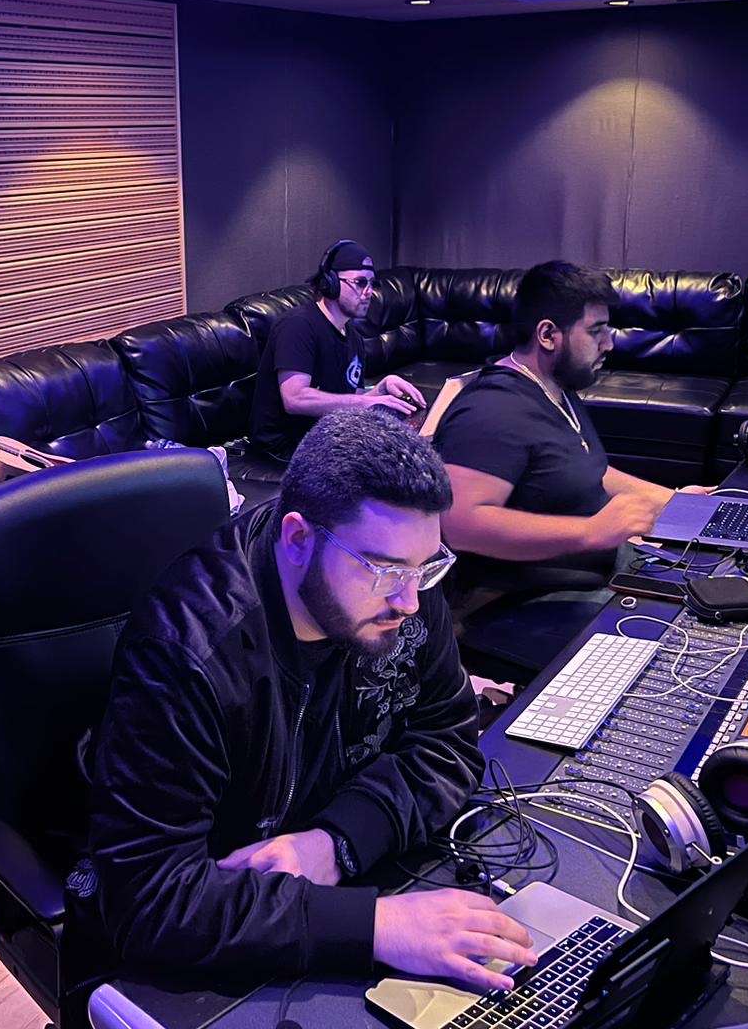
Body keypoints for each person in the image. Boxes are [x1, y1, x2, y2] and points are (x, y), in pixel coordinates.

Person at [77, 410, 538, 992]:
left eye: (427, 567)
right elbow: (150, 899)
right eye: (385, 571)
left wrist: (337, 842)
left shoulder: (402, 585)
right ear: (297, 538)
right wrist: (374, 927)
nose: (410, 602)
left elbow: (448, 741)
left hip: (337, 878)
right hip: (227, 929)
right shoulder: (188, 652)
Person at [434, 261, 710, 616]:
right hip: (521, 602)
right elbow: (460, 524)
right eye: (596, 331)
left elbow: (585, 470)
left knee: (717, 585)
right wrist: (591, 531)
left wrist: (673, 501)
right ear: (548, 335)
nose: (608, 344)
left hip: (594, 573)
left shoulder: (555, 388)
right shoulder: (492, 410)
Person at [248, 239, 426, 460]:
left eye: (372, 283)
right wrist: (365, 403)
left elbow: (349, 399)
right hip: (283, 449)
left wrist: (380, 390)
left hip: (325, 439)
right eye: (360, 282)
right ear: (330, 283)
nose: (369, 292)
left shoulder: (354, 338)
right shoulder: (298, 326)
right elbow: (295, 399)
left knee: (408, 448)